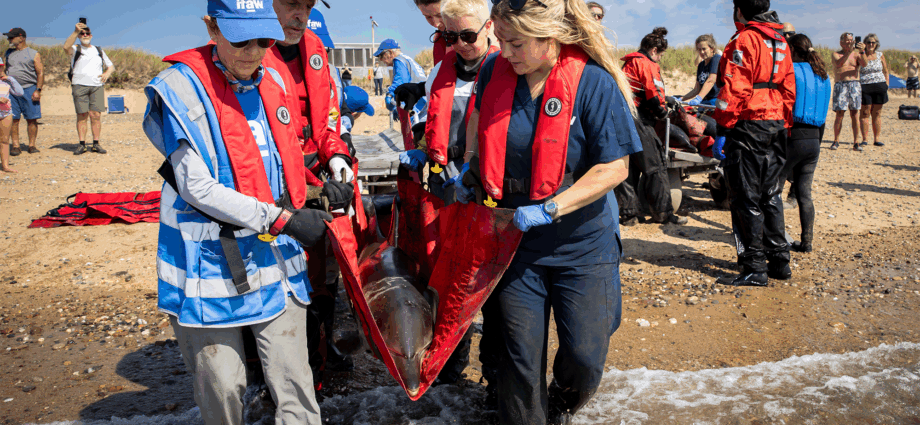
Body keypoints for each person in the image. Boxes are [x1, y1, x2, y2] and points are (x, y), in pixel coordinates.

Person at [142, 1, 331, 423]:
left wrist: (317, 186)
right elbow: (196, 186)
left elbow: (283, 159)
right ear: (212, 29)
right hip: (207, 269)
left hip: (272, 260)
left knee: (295, 384)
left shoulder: (274, 82)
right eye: (240, 39)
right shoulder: (179, 87)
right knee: (223, 386)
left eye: (264, 40)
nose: (253, 51)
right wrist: (282, 220)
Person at [454, 0, 642, 422]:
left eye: (516, 43)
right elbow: (480, 116)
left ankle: (560, 402)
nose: (505, 52)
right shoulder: (493, 71)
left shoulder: (593, 82)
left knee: (586, 356)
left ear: (549, 37)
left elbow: (615, 167)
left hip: (583, 245)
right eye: (500, 41)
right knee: (518, 360)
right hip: (516, 245)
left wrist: (551, 207)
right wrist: (470, 165)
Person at [396, 0, 499, 390]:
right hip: (445, 187)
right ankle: (447, 368)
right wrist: (423, 148)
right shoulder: (442, 69)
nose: (459, 44)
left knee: (487, 287)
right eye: (448, 36)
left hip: (486, 194)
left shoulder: (505, 68)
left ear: (489, 26)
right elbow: (433, 112)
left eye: (467, 36)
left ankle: (495, 373)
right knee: (446, 281)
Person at [267, 0, 358, 394]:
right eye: (290, 3)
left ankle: (318, 356)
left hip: (313, 175)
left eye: (306, 5)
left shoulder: (314, 49)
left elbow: (326, 122)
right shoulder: (245, 52)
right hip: (270, 182)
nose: (299, 14)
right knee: (277, 278)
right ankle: (277, 370)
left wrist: (337, 154)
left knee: (321, 272)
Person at [713, 0, 795, 287]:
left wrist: (722, 127)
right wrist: (783, 123)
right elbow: (788, 86)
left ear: (739, 10)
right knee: (770, 194)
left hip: (748, 125)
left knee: (745, 197)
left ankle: (754, 268)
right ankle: (780, 261)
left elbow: (733, 87)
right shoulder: (781, 40)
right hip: (775, 125)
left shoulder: (744, 39)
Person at [616, 27, 688, 226]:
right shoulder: (646, 64)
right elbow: (652, 93)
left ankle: (629, 214)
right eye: (661, 55)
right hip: (639, 119)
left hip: (624, 119)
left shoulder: (629, 63)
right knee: (656, 165)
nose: (661, 60)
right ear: (655, 50)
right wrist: (664, 113)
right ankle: (663, 213)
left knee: (628, 168)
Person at [782, 33, 830, 254]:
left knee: (772, 188)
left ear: (792, 50)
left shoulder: (792, 71)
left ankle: (774, 238)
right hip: (814, 141)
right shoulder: (824, 76)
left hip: (794, 137)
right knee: (804, 194)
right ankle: (807, 242)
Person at [63, 22, 115, 155]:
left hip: (97, 86)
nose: (85, 35)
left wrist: (106, 74)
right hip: (79, 85)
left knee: (96, 115)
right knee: (82, 115)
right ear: (79, 36)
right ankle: (82, 144)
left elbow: (111, 66)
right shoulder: (76, 48)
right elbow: (65, 47)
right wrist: (75, 32)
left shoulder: (98, 50)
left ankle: (96, 143)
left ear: (91, 35)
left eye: (87, 33)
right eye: (82, 33)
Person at [3, 28, 43, 156]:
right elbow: (3, 69)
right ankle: (15, 146)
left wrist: (38, 90)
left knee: (32, 119)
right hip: (12, 90)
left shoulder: (33, 53)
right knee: (13, 119)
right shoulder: (8, 53)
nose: (9, 39)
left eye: (11, 37)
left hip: (29, 88)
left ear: (21, 37)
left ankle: (32, 145)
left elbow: (40, 73)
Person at [375, 38, 428, 128]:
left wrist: (390, 95)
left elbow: (400, 82)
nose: (381, 59)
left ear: (390, 53)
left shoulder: (398, 60)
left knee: (416, 135)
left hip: (418, 103)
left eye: (381, 55)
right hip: (425, 100)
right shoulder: (409, 60)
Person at [831, 32, 866, 151]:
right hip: (841, 84)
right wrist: (849, 52)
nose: (850, 42)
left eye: (851, 40)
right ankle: (836, 140)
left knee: (855, 114)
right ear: (841, 42)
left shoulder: (857, 54)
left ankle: (856, 142)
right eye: (847, 40)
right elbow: (839, 64)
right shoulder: (836, 54)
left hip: (854, 84)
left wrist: (862, 52)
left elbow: (865, 64)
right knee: (839, 114)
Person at [858, 33, 888, 148]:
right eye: (868, 42)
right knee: (865, 113)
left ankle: (877, 139)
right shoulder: (860, 54)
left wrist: (887, 85)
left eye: (873, 42)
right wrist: (862, 51)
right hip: (865, 86)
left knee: (877, 113)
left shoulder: (880, 55)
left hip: (880, 86)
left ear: (876, 44)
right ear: (864, 44)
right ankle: (865, 139)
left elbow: (885, 71)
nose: (871, 44)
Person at [680, 34, 721, 107]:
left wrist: (698, 98)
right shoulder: (701, 65)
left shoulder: (716, 59)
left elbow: (711, 81)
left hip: (716, 101)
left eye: (704, 49)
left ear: (712, 48)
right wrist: (681, 99)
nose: (701, 52)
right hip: (704, 101)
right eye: (699, 49)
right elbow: (696, 89)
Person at [1, 58, 24, 173]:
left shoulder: (6, 81)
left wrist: (11, 79)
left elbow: (20, 92)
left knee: (5, 140)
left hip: (5, 113)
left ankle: (5, 166)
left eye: (0, 66)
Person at [415, 0, 451, 65]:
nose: (436, 24)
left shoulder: (472, 36)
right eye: (428, 17)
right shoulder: (439, 38)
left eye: (440, 15)